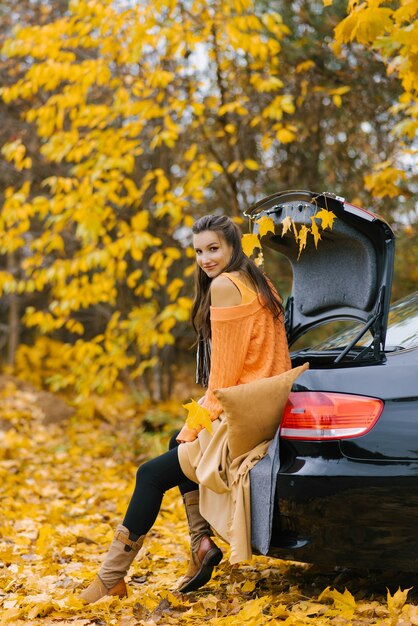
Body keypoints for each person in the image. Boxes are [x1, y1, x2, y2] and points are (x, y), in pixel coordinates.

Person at [79, 214, 291, 604]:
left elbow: (223, 380)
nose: (205, 259)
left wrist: (195, 425)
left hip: (240, 420)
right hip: (265, 411)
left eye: (214, 249)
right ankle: (201, 546)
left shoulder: (226, 285)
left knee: (150, 474)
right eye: (198, 251)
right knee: (174, 443)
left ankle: (110, 577)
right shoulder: (261, 283)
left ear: (232, 248)